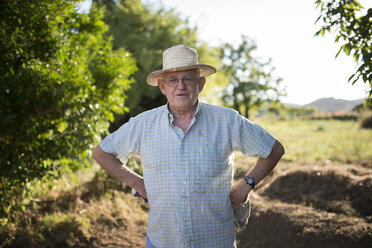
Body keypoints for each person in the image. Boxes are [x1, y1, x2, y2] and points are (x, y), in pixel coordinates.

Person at [92, 44, 285, 248]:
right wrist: (138, 184)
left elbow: (274, 149)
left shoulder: (227, 120)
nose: (180, 86)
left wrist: (246, 185)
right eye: (172, 80)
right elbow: (102, 153)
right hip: (162, 241)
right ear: (162, 86)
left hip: (215, 241)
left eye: (188, 79)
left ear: (200, 84)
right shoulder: (142, 124)